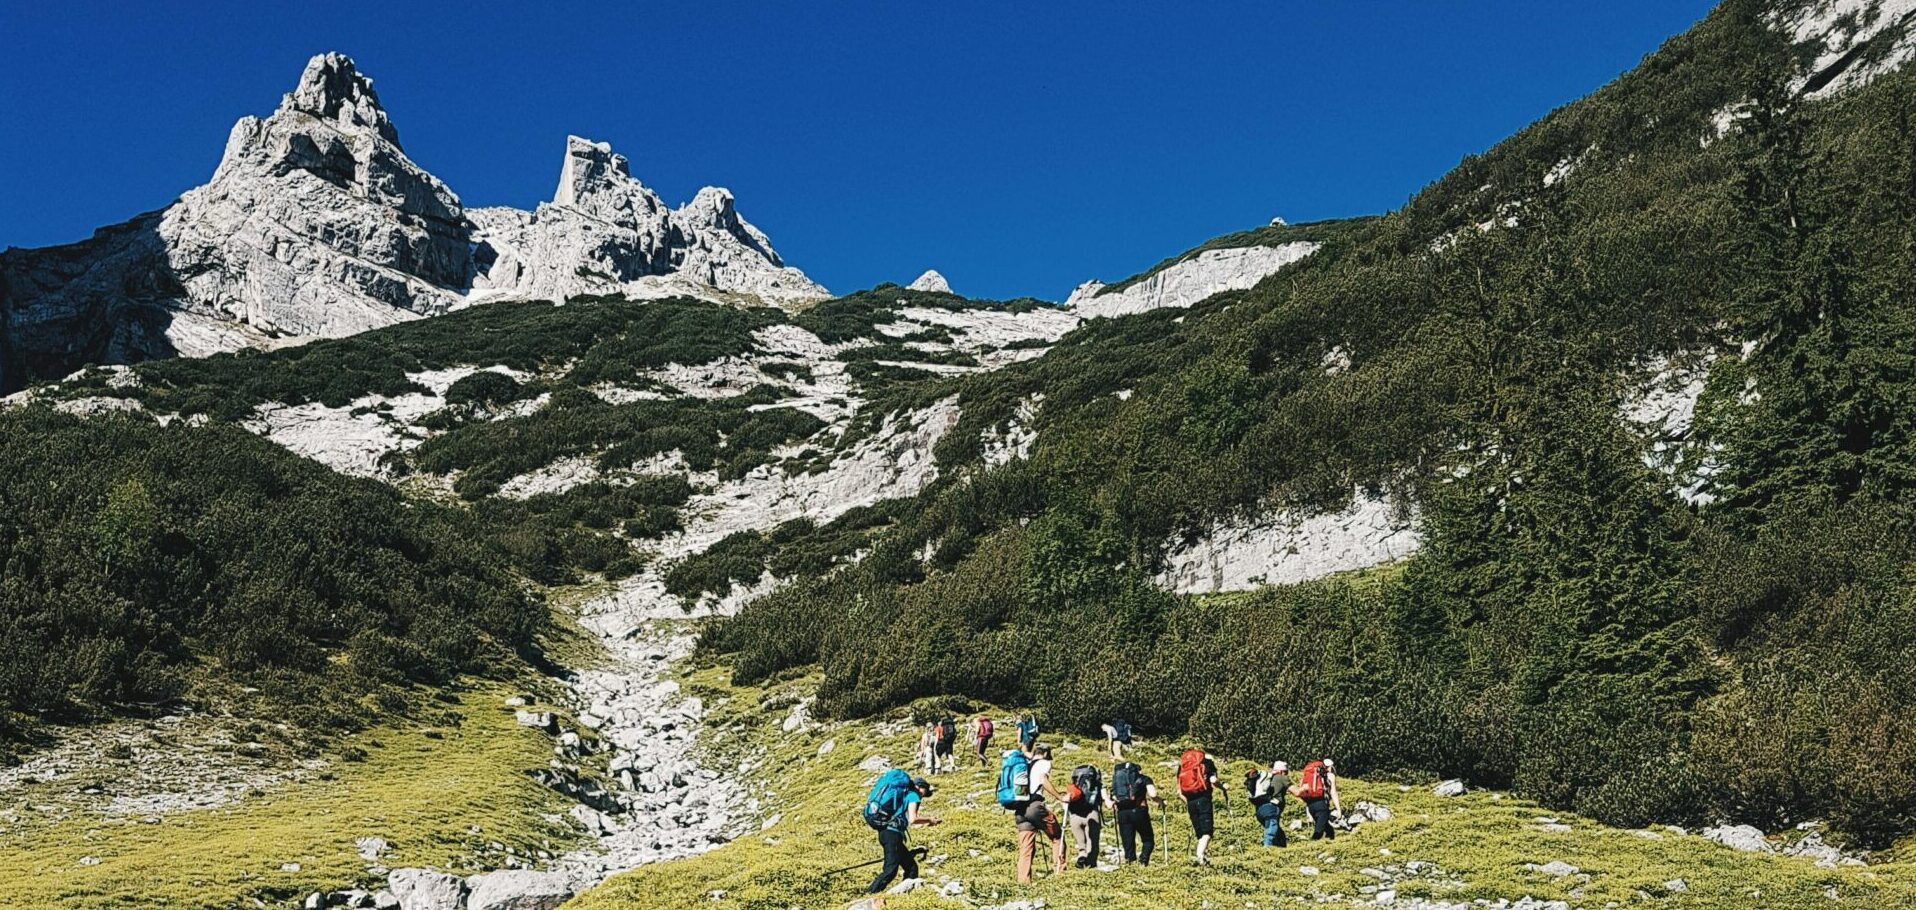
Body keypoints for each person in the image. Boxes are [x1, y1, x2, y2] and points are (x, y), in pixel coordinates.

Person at [863, 772, 941, 894]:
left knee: (911, 867)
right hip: (892, 834)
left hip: (888, 833)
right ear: (921, 788)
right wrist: (930, 820)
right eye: (925, 792)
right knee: (890, 870)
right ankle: (870, 894)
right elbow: (913, 819)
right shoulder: (913, 795)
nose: (923, 796)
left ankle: (906, 894)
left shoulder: (903, 795)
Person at [1015, 743, 1068, 882]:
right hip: (1034, 806)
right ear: (1045, 753)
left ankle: (1023, 882)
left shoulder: (1024, 764)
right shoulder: (1044, 763)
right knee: (1057, 836)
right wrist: (1059, 797)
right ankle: (1060, 873)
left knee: (1026, 848)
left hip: (1020, 809)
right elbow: (1043, 780)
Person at [1176, 748, 1226, 865]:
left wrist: (1187, 802)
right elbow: (1213, 780)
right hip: (1204, 799)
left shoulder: (1183, 766)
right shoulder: (1207, 763)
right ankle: (1200, 856)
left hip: (1190, 801)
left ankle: (1202, 855)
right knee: (1207, 831)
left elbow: (1179, 792)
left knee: (1199, 832)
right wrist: (1223, 786)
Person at [1109, 759, 1161, 866]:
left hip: (1122, 813)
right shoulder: (1143, 778)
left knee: (1128, 842)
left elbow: (1112, 798)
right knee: (1148, 839)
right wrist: (1161, 801)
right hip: (1139, 811)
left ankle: (1130, 864)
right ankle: (1143, 861)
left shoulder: (1117, 782)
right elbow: (1153, 794)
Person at [1291, 758, 1343, 841]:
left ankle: (1329, 842)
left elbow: (1302, 789)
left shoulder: (1309, 775)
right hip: (1322, 805)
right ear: (1329, 767)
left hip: (1311, 805)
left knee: (1327, 828)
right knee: (1318, 832)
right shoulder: (1330, 776)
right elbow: (1333, 792)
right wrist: (1339, 809)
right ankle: (1312, 846)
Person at [1065, 763, 1104, 868]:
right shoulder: (1098, 786)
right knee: (1093, 844)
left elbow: (1066, 800)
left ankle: (1082, 856)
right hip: (1092, 814)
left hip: (1075, 816)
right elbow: (1106, 800)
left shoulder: (1073, 786)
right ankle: (1091, 866)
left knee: (1081, 845)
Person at [1247, 761, 1289, 847]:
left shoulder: (1266, 778)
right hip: (1271, 809)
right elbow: (1297, 792)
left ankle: (1279, 849)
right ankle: (1267, 848)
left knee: (1278, 833)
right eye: (1286, 772)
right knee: (1271, 829)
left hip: (1259, 810)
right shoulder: (1281, 778)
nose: (1287, 774)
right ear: (1281, 771)